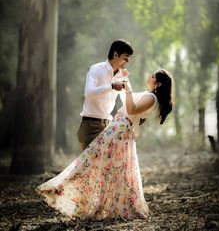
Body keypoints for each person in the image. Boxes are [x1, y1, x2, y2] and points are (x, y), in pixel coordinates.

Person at [36, 69, 174, 220]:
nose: (150, 76)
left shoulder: (151, 97)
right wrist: (122, 79)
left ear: (158, 84)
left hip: (119, 130)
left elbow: (131, 108)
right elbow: (128, 101)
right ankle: (69, 191)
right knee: (105, 166)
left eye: (153, 76)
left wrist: (128, 89)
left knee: (93, 160)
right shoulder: (150, 96)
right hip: (119, 128)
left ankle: (61, 188)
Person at [77, 39, 134, 151]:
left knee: (108, 166)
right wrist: (111, 86)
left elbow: (128, 99)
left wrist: (137, 114)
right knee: (90, 167)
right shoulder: (96, 69)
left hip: (108, 126)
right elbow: (88, 93)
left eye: (128, 59)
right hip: (90, 126)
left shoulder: (122, 75)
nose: (127, 61)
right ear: (115, 54)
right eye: (125, 57)